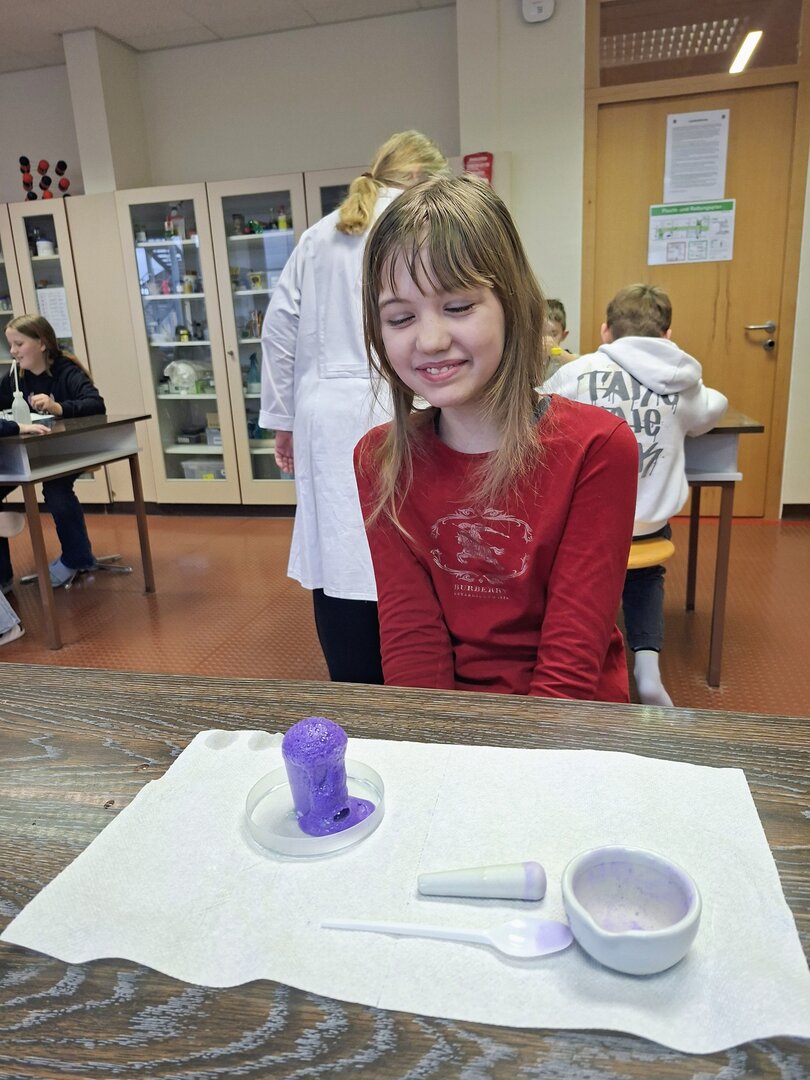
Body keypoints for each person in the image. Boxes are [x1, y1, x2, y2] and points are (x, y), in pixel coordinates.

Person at [353, 174, 638, 702]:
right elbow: (412, 636)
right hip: (451, 714)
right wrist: (431, 738)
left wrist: (515, 751)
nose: (430, 340)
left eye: (458, 307)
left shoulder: (598, 448)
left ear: (511, 303)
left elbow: (571, 663)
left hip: (564, 715)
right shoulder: (380, 458)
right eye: (401, 317)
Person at [260, 130, 449, 684]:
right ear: (419, 178)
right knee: (414, 547)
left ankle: (353, 687)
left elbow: (277, 332)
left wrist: (283, 422)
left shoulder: (319, 236)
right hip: (409, 402)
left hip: (326, 417)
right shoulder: (426, 226)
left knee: (338, 555)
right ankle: (422, 687)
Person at [543, 283, 728, 706]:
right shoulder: (683, 380)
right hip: (647, 529)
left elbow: (535, 410)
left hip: (584, 533)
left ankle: (576, 659)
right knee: (645, 574)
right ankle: (647, 668)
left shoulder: (578, 372)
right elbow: (713, 408)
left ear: (606, 331)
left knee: (570, 566)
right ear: (667, 335)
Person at [0, 314, 106, 589]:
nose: (13, 351)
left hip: (70, 449)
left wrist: (59, 408)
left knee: (56, 489)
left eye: (19, 344)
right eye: (10, 345)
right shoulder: (14, 378)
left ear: (42, 343)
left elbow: (95, 404)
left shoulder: (66, 371)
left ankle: (77, 559)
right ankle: (2, 577)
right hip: (29, 454)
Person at [543, 298, 577, 375]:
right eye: (542, 334)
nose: (547, 340)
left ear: (563, 335)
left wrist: (557, 352)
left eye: (554, 334)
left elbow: (585, 368)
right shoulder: (528, 360)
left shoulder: (569, 358)